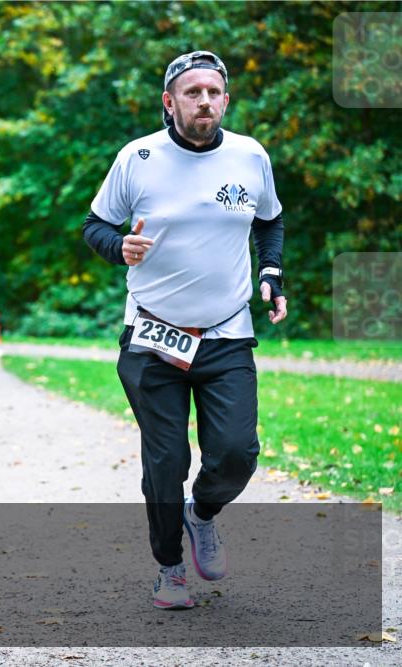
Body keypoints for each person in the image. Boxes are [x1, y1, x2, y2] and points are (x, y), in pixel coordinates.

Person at [82, 51, 287, 610]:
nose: (205, 101)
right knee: (165, 460)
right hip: (151, 336)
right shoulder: (138, 158)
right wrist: (116, 245)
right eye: (192, 92)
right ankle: (170, 568)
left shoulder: (250, 156)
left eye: (214, 92)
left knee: (237, 453)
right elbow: (95, 224)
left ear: (226, 100)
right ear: (170, 102)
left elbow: (269, 219)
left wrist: (271, 271)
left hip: (225, 332)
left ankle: (204, 514)